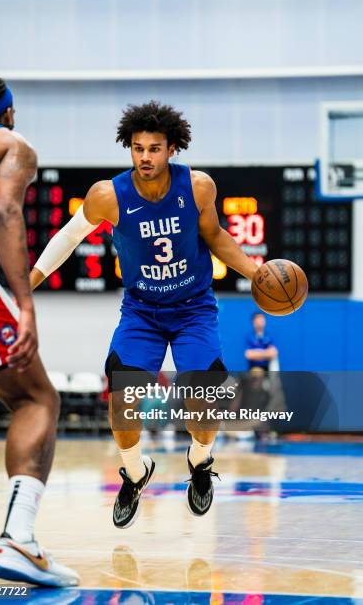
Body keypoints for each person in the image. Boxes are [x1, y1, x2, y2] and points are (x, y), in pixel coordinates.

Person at [30, 101, 258, 527]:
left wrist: (255, 270)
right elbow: (66, 237)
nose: (145, 157)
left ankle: (200, 462)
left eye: (154, 148)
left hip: (193, 310)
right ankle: (136, 474)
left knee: (204, 415)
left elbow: (216, 237)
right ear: (129, 149)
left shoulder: (198, 187)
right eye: (138, 148)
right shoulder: (107, 195)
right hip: (142, 313)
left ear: (172, 148)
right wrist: (29, 283)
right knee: (122, 407)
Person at [0, 74, 78, 586]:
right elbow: (5, 210)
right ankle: (18, 541)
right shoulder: (11, 143)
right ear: (6, 112)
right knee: (38, 400)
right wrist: (24, 305)